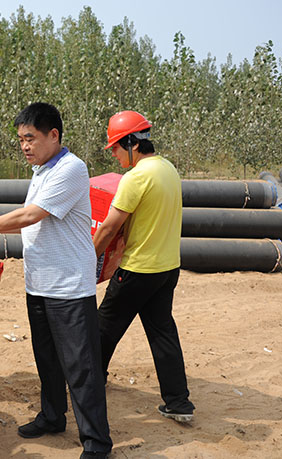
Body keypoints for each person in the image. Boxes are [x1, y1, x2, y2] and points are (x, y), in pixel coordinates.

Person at [0, 103, 112, 458]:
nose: (25, 146)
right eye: (20, 140)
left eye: (30, 138)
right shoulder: (40, 171)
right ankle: (52, 415)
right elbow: (31, 219)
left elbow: (32, 214)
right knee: (46, 358)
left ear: (54, 135)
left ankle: (96, 442)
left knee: (81, 367)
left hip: (69, 287)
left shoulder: (72, 168)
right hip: (41, 283)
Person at [93, 110, 195, 423]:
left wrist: (87, 261)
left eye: (115, 147)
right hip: (167, 269)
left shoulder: (135, 178)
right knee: (163, 331)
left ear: (132, 143)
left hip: (138, 269)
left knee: (104, 326)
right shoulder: (168, 169)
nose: (113, 154)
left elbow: (109, 228)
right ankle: (179, 402)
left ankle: (89, 384)